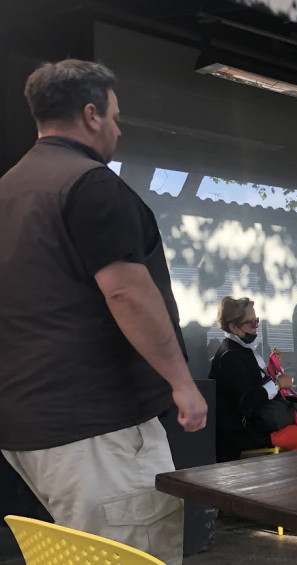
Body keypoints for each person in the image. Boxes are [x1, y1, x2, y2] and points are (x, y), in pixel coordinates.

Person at [0, 59, 208, 565]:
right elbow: (127, 293)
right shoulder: (90, 184)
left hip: (27, 427)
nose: (119, 129)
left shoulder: (8, 190)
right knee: (134, 551)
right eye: (115, 116)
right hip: (100, 425)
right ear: (91, 115)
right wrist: (182, 382)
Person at [208, 296, 297, 462]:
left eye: (257, 320)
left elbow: (253, 383)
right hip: (242, 434)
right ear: (233, 327)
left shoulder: (239, 349)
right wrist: (278, 384)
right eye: (251, 322)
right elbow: (247, 401)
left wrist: (273, 370)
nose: (256, 326)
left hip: (254, 426)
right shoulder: (230, 357)